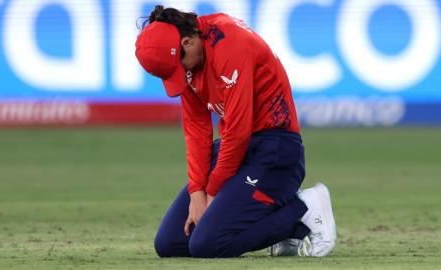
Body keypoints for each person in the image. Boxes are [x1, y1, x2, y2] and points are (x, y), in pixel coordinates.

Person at [135, 5, 337, 258]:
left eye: (180, 66)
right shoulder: (189, 59)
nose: (183, 75)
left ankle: (303, 210)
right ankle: (275, 218)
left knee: (207, 244)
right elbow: (196, 131)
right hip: (236, 150)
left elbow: (239, 131)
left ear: (187, 42)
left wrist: (212, 193)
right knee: (170, 244)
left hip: (274, 150)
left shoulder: (230, 43)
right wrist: (197, 193)